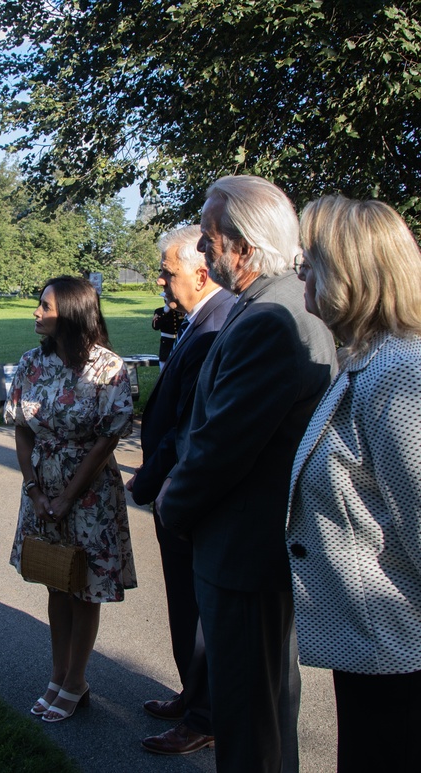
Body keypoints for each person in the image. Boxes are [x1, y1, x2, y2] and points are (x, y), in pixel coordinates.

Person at [156, 175, 337, 772]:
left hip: (243, 550)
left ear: (245, 244)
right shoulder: (270, 304)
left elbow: (218, 448)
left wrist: (171, 508)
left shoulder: (270, 318)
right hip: (251, 545)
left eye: (208, 241)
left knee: (250, 723)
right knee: (259, 713)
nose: (203, 256)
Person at [289, 195, 421, 771]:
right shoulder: (369, 360)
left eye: (310, 260)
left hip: (401, 657)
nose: (299, 273)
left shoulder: (398, 374)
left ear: (349, 272)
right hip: (375, 651)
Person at [5, 275, 136, 723]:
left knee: (84, 589)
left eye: (45, 306)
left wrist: (68, 497)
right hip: (42, 489)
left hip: (90, 491)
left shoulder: (109, 368)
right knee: (55, 581)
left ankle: (76, 681)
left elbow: (105, 442)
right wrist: (35, 490)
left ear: (73, 313)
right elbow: (22, 429)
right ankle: (58, 675)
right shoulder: (30, 364)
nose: (36, 312)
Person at [126, 225, 233, 755]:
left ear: (201, 270)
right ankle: (193, 695)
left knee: (196, 611)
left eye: (168, 272)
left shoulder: (216, 322)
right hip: (175, 485)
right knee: (183, 604)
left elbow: (188, 422)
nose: (162, 283)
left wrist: (144, 482)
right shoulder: (198, 319)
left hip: (183, 489)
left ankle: (203, 716)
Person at [152, 303, 183, 369]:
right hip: (166, 341)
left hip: (179, 340)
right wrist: (164, 312)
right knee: (164, 363)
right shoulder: (159, 311)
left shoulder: (181, 310)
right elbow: (155, 326)